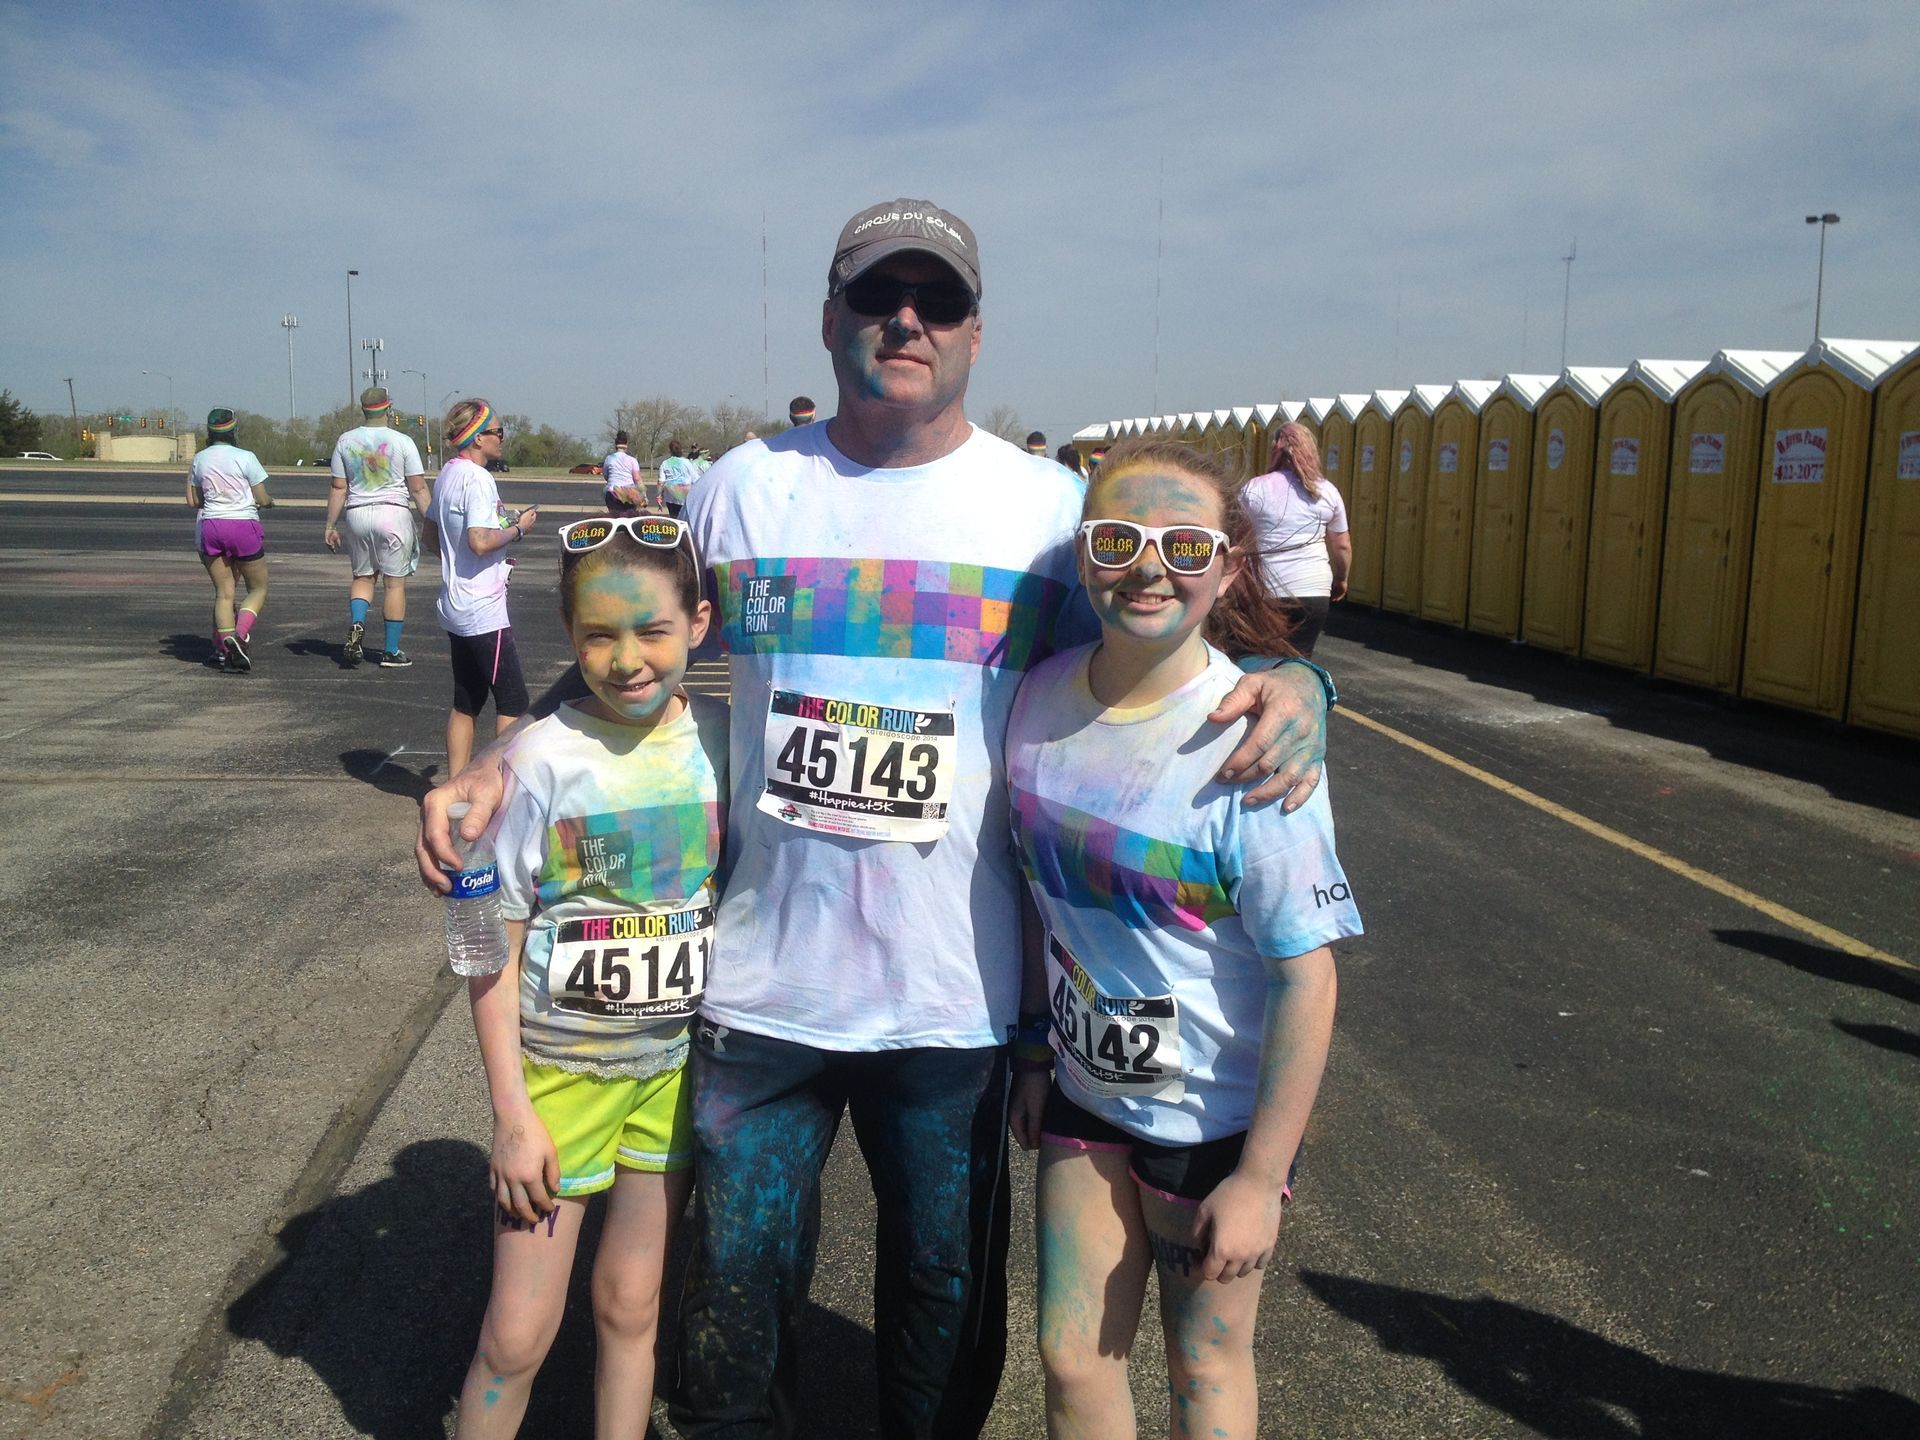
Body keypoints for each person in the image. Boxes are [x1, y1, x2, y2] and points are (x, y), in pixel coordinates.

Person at [419, 197, 1331, 1439]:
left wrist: (1306, 684)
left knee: (942, 1325)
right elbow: (637, 656)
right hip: (757, 992)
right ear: (831, 322)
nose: (907, 319)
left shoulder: (1047, 515)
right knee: (732, 1323)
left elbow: (1150, 663)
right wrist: (508, 754)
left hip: (951, 1004)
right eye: (877, 296)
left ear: (972, 332)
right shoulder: (741, 491)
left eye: (937, 300)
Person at [1004, 436, 1359, 1440]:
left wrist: (1259, 1179)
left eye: (1185, 546)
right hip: (1085, 1091)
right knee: (1072, 1355)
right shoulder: (1034, 702)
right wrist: (1036, 1044)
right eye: (1117, 540)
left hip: (1211, 1123)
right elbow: (1040, 898)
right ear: (1083, 556)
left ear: (1229, 567)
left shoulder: (1255, 742)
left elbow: (1308, 977)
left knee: (1200, 1361)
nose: (1148, 568)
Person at [453, 509, 725, 1437]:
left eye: (651, 629)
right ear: (569, 640)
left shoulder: (722, 742)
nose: (627, 659)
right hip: (558, 1085)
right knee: (519, 1333)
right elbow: (484, 941)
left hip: (673, 1077)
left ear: (699, 622)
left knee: (632, 1307)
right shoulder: (536, 761)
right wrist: (510, 1115)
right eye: (598, 635)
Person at [427, 400, 538, 778]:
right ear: (476, 438)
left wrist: (490, 531)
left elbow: (430, 536)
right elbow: (478, 540)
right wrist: (517, 529)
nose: (502, 439)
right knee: (512, 701)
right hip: (481, 608)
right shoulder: (477, 478)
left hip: (455, 604)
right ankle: (498, 788)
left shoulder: (446, 475)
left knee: (466, 701)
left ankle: (455, 785)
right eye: (497, 432)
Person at [323, 386, 431, 668]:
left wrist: (330, 525)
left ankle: (358, 623)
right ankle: (391, 651)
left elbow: (338, 487)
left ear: (362, 408)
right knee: (394, 584)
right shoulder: (403, 441)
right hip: (393, 514)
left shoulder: (345, 441)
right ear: (388, 407)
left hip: (357, 514)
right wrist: (432, 522)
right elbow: (418, 488)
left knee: (363, 577)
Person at [1240, 421, 1351, 657]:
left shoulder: (1254, 488)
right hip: (1313, 589)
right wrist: (1341, 579)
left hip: (1265, 591)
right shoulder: (1326, 491)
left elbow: (1237, 539)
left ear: (1274, 449)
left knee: (1263, 659)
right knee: (1299, 662)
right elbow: (1342, 545)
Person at [187, 408, 273, 672]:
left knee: (224, 593)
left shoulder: (199, 459)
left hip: (212, 525)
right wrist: (269, 502)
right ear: (234, 430)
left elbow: (194, 501)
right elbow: (261, 497)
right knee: (258, 588)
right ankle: (239, 634)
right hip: (243, 526)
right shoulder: (246, 457)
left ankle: (225, 649)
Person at [603, 429, 647, 515]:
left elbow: (606, 476)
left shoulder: (609, 459)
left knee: (615, 517)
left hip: (613, 493)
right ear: (626, 444)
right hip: (629, 493)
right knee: (629, 518)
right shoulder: (632, 460)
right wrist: (644, 496)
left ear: (616, 444)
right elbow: (637, 479)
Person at [657, 440, 697, 517]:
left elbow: (661, 482)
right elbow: (695, 479)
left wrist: (659, 495)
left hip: (670, 496)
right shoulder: (686, 462)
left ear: (670, 450)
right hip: (685, 497)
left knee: (674, 519)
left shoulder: (665, 463)